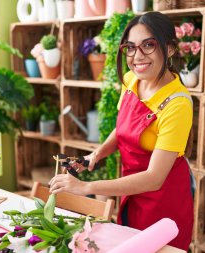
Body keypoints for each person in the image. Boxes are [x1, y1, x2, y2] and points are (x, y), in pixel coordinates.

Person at [50, 11, 194, 251]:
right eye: (130, 47)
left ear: (169, 49)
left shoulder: (177, 103)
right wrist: (96, 156)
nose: (137, 56)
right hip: (130, 190)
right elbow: (122, 129)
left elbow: (154, 178)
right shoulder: (132, 80)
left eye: (148, 45)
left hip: (163, 200)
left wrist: (87, 187)